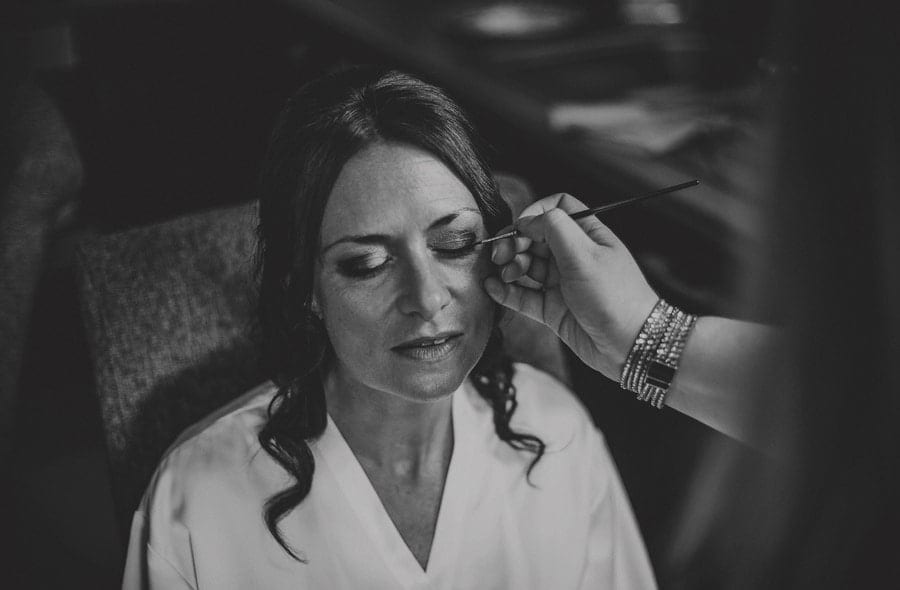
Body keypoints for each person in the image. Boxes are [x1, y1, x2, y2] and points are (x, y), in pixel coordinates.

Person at [122, 68, 656, 589]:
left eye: (455, 245)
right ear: (304, 287)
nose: (426, 298)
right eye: (367, 264)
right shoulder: (199, 500)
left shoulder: (557, 433)